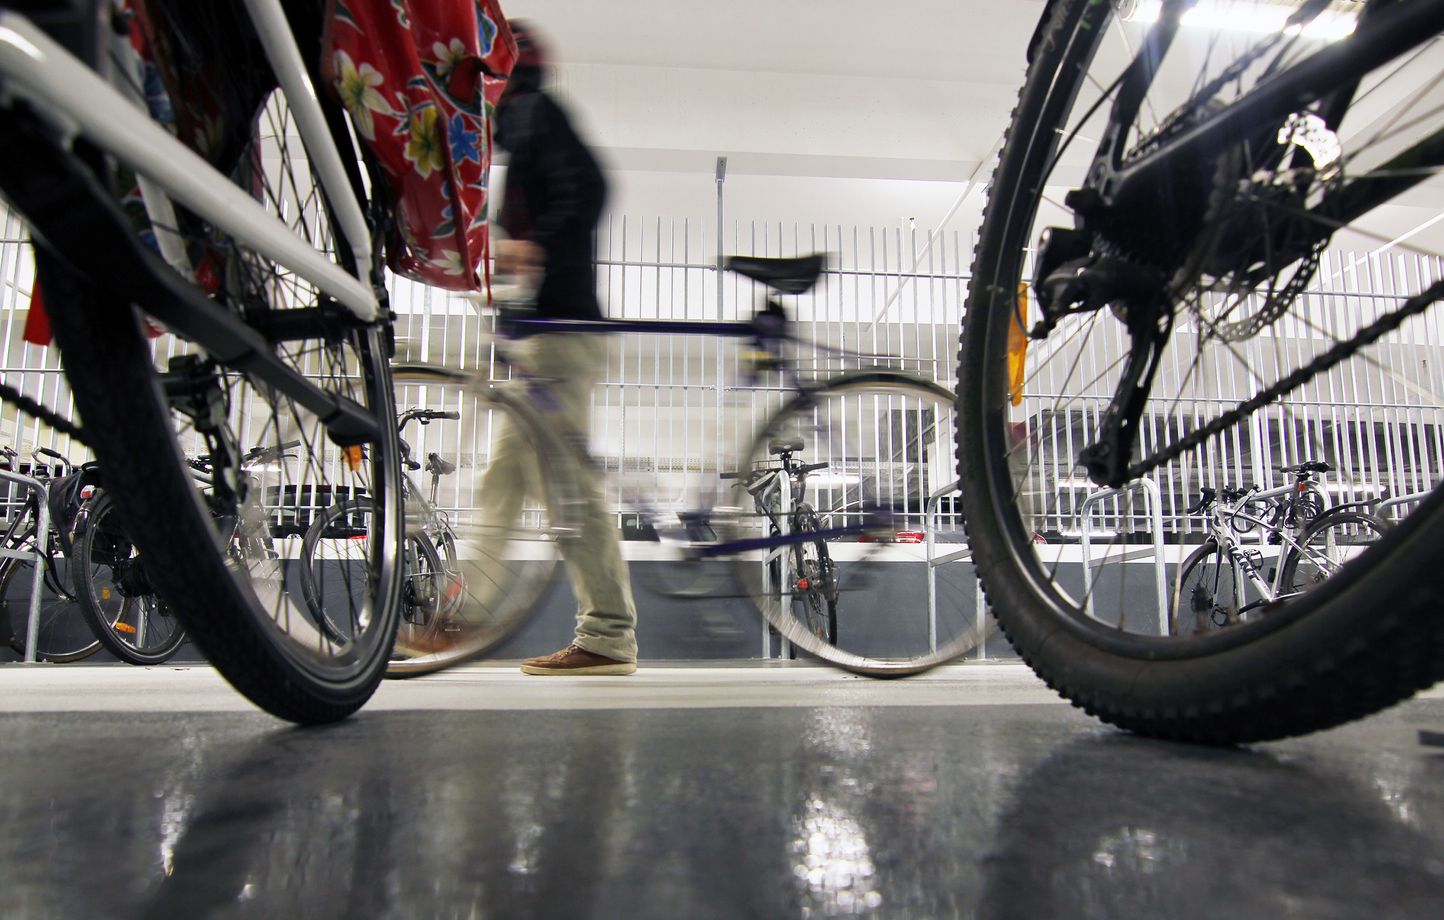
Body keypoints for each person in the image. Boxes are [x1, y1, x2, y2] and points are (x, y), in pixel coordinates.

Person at [473, 19, 638, 676]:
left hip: (564, 336)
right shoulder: (521, 139)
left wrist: (534, 242)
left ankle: (607, 634)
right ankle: (464, 618)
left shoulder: (538, 113)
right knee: (506, 478)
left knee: (566, 487)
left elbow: (590, 187)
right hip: (546, 336)